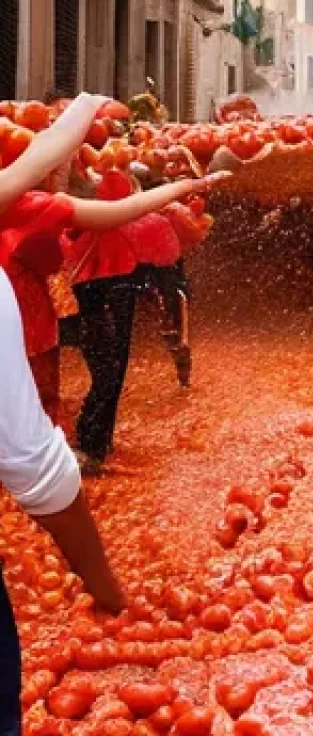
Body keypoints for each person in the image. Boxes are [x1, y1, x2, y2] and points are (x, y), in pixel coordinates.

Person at [0, 93, 125, 734]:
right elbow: (30, 462)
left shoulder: (28, 208)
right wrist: (106, 588)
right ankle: (82, 443)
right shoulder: (29, 219)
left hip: (41, 332)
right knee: (42, 417)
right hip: (29, 339)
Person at [66, 167, 229, 472]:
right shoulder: (150, 224)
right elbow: (170, 262)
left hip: (90, 296)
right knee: (111, 369)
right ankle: (90, 447)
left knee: (105, 368)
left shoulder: (78, 221)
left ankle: (92, 444)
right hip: (115, 296)